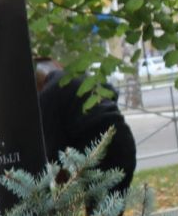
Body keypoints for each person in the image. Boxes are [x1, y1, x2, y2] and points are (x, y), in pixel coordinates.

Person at [35, 59, 138, 193]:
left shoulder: (47, 96)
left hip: (98, 153)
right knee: (110, 210)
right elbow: (111, 92)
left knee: (100, 212)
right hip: (124, 141)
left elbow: (55, 155)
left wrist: (60, 197)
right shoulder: (78, 76)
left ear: (36, 86)